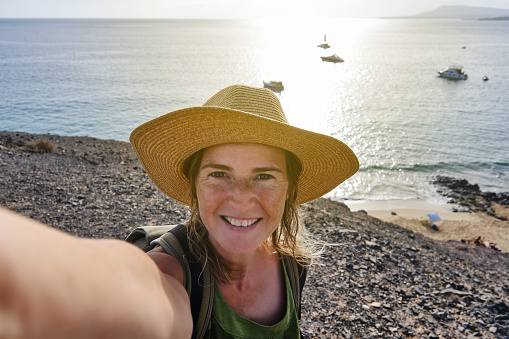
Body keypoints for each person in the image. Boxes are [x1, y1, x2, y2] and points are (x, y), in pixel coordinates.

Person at [0, 84, 358, 338]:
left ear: (289, 189)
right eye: (219, 174)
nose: (241, 199)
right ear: (193, 184)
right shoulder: (173, 272)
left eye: (264, 176)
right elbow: (124, 296)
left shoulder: (292, 266)